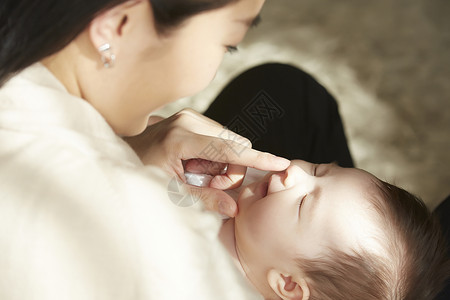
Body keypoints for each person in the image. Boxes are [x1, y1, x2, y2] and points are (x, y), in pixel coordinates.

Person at [0, 1, 288, 299]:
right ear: (117, 25)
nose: (292, 174)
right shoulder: (146, 227)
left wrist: (128, 151)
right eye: (228, 45)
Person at [199, 63, 449, 299]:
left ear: (288, 284)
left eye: (303, 203)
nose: (295, 172)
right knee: (285, 87)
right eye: (318, 170)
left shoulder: (188, 277)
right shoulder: (256, 190)